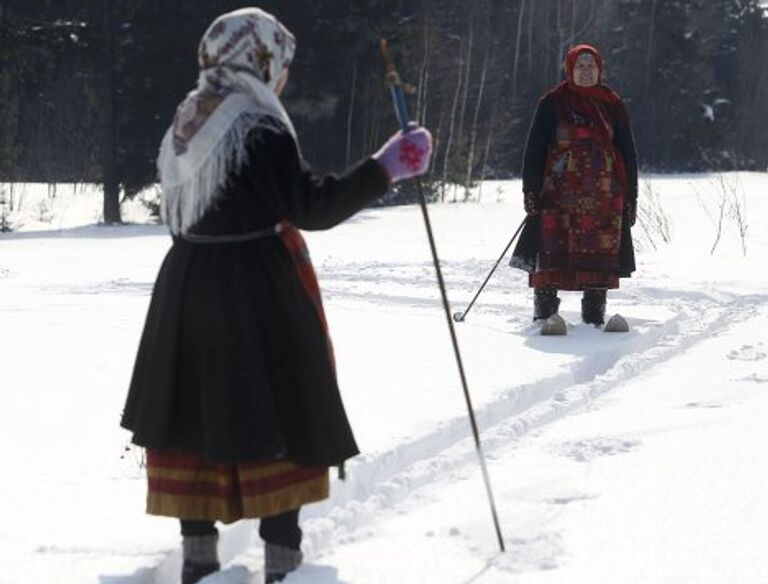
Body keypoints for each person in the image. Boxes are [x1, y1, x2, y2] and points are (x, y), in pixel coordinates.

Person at [120, 8, 432, 584]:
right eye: (280, 65)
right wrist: (386, 168)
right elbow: (312, 205)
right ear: (259, 61)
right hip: (254, 292)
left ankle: (198, 562)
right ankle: (284, 567)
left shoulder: (188, 118)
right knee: (276, 414)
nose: (283, 78)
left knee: (195, 415)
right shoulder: (256, 126)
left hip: (186, 287)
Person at [510, 44, 638, 331]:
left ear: (599, 69)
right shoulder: (553, 102)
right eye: (579, 66)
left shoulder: (613, 104)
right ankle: (545, 317)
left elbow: (628, 152)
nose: (585, 71)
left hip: (604, 193)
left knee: (600, 253)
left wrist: (631, 197)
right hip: (558, 190)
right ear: (569, 69)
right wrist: (530, 191)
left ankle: (594, 319)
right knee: (551, 247)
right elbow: (534, 150)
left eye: (590, 65)